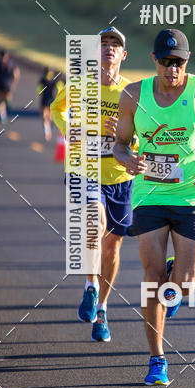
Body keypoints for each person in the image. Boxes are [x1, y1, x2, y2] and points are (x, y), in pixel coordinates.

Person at [113, 29, 195, 385]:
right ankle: (157, 360)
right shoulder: (133, 95)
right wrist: (127, 161)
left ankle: (177, 273)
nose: (172, 69)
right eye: (166, 62)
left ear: (187, 62)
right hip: (149, 195)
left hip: (192, 195)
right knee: (152, 280)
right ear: (154, 60)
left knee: (185, 284)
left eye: (179, 62)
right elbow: (120, 144)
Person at [51, 27, 134, 343]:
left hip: (119, 176)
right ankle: (90, 284)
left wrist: (127, 136)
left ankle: (102, 309)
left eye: (115, 44)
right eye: (103, 44)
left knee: (112, 247)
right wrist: (70, 130)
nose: (109, 48)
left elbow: (140, 135)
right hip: (83, 169)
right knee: (92, 220)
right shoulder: (79, 85)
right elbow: (56, 109)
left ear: (123, 55)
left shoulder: (131, 92)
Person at [37, 66, 62, 141]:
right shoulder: (56, 80)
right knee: (49, 116)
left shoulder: (42, 80)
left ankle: (47, 131)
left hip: (45, 99)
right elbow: (60, 89)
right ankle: (48, 127)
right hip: (52, 100)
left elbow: (39, 90)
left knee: (44, 116)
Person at [0, 50, 20, 124]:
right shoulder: (11, 63)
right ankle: (5, 109)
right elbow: (16, 74)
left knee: (0, 101)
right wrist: (14, 83)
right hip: (7, 84)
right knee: (4, 99)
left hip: (1, 84)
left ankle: (3, 116)